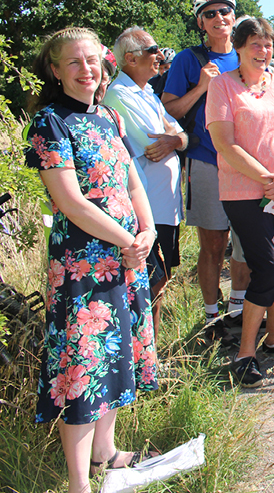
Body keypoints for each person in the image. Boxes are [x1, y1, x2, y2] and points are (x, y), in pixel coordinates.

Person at [26, 27, 159, 493]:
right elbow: (70, 201)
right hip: (83, 265)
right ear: (55, 71)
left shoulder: (107, 117)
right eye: (74, 62)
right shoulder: (50, 122)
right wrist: (129, 240)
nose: (87, 70)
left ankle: (108, 453)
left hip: (126, 256)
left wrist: (147, 231)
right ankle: (80, 483)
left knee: (117, 353)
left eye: (92, 60)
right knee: (82, 365)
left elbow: (132, 181)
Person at [205, 17, 274, 388]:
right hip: (244, 192)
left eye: (268, 44)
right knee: (269, 272)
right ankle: (245, 353)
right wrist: (269, 180)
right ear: (238, 47)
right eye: (255, 44)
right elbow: (224, 142)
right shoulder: (222, 86)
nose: (263, 51)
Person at [161, 0, 250, 340]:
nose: (219, 19)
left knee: (245, 244)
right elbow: (170, 108)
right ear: (201, 22)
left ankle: (238, 309)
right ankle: (212, 318)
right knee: (213, 245)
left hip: (246, 166)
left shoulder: (247, 55)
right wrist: (201, 87)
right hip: (207, 162)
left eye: (224, 12)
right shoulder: (188, 59)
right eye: (210, 14)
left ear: (234, 17)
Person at [103, 27, 187, 344]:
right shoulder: (118, 97)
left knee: (161, 280)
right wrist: (174, 139)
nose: (160, 56)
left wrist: (175, 139)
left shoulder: (147, 93)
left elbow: (180, 136)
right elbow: (153, 144)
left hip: (165, 207)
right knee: (149, 281)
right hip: (145, 210)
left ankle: (150, 351)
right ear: (131, 58)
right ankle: (140, 353)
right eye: (153, 50)